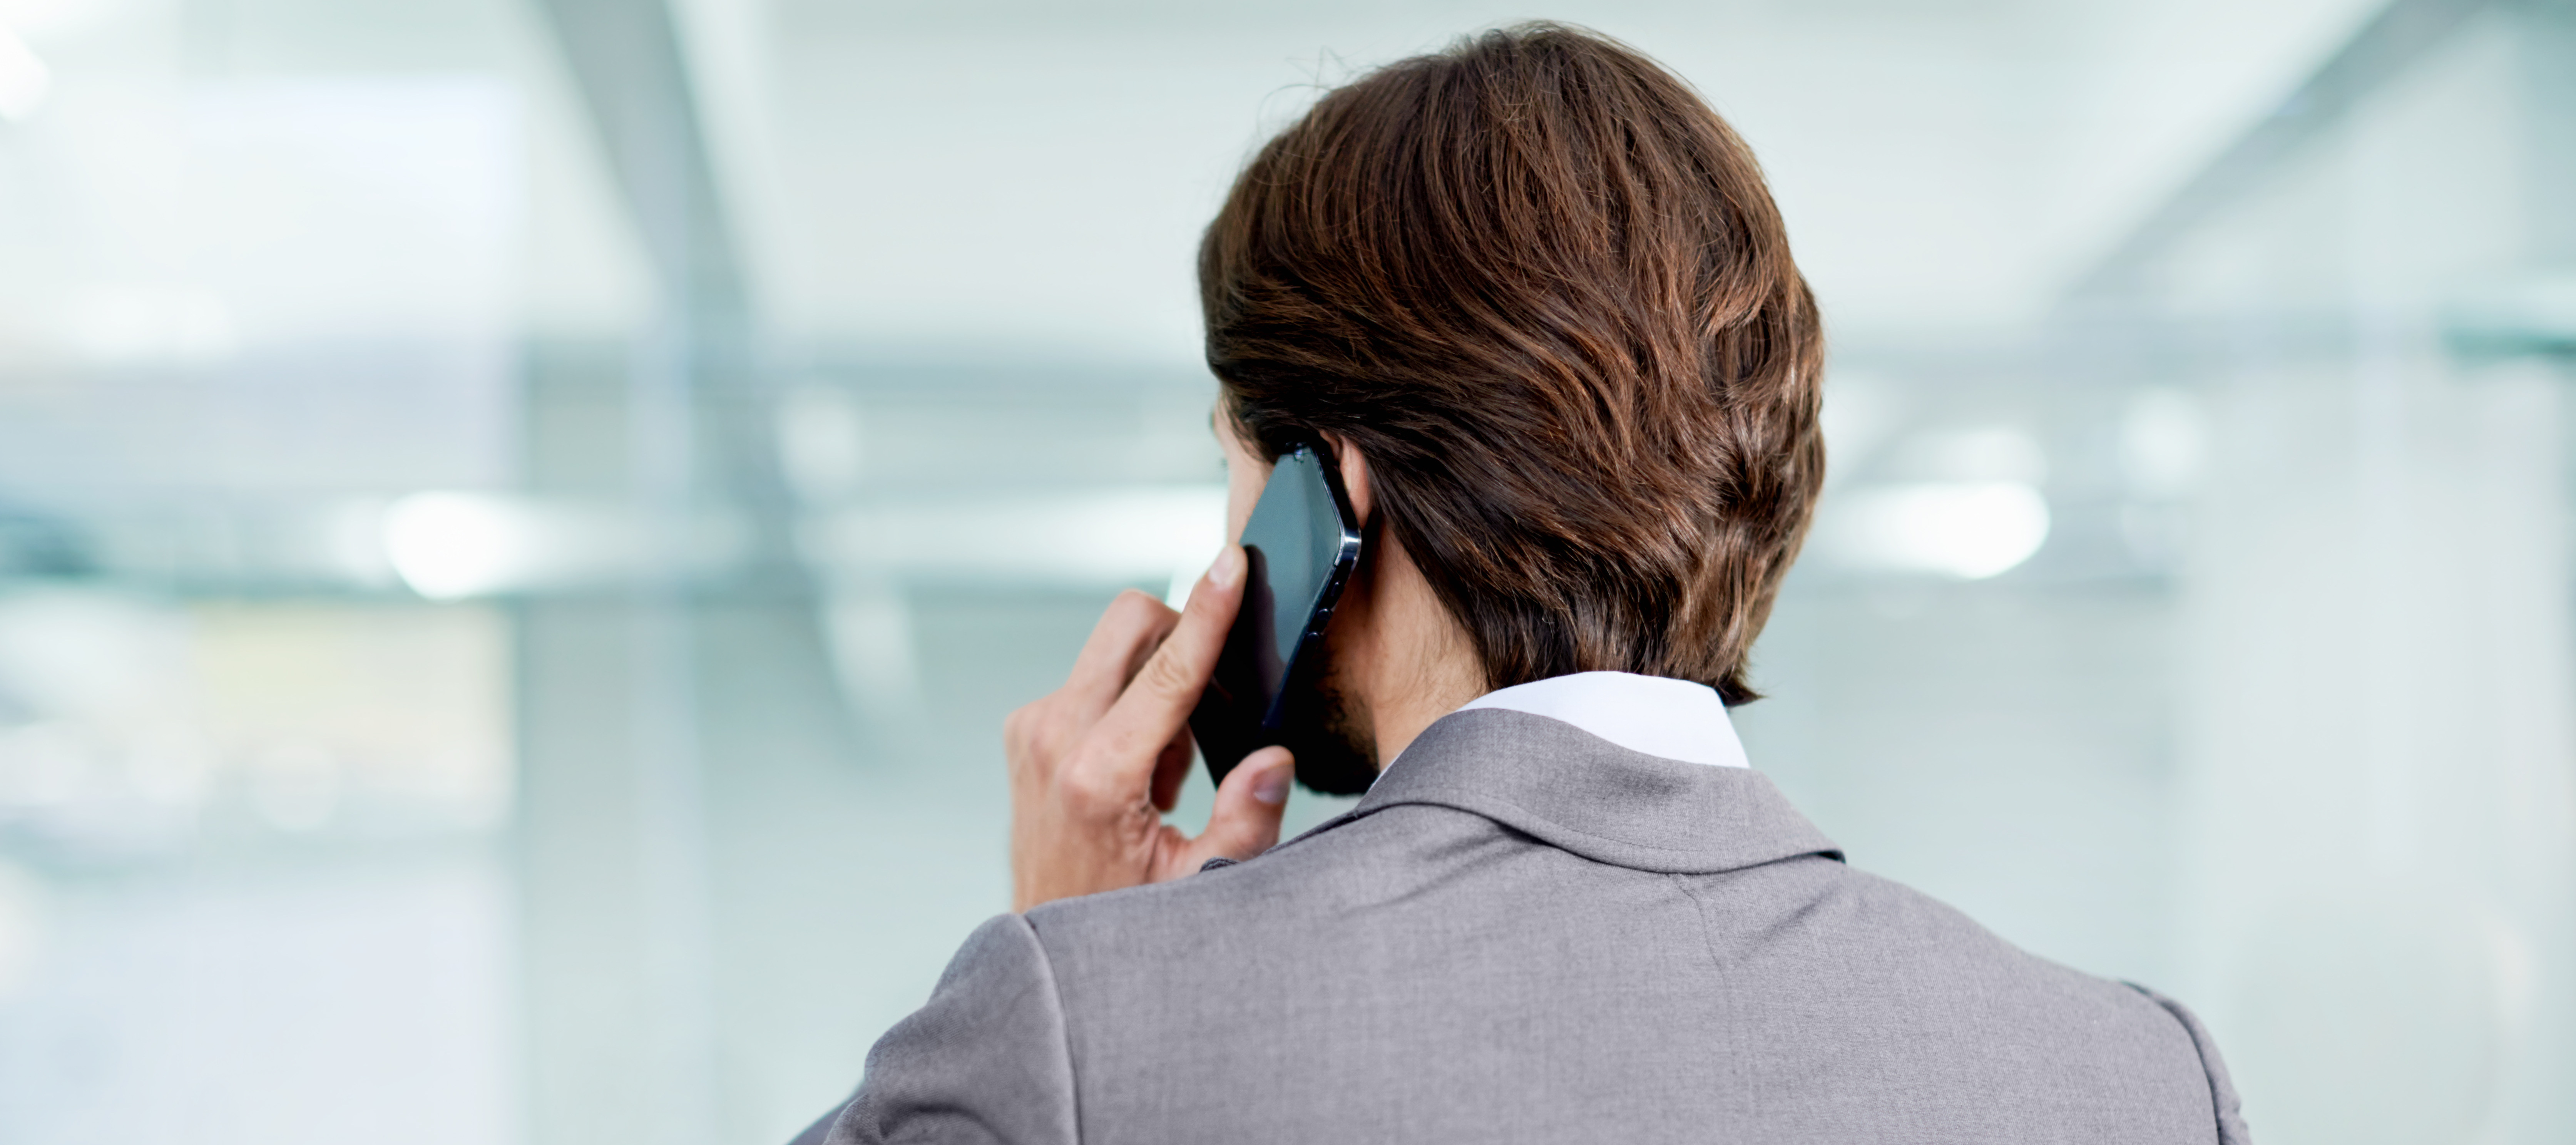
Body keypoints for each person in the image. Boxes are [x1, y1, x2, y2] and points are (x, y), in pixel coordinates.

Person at [795, 23, 2248, 1145]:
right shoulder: (2135, 1079)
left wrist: (1071, 952)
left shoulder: (1079, 1030)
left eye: (1235, 474)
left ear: (1332, 488)